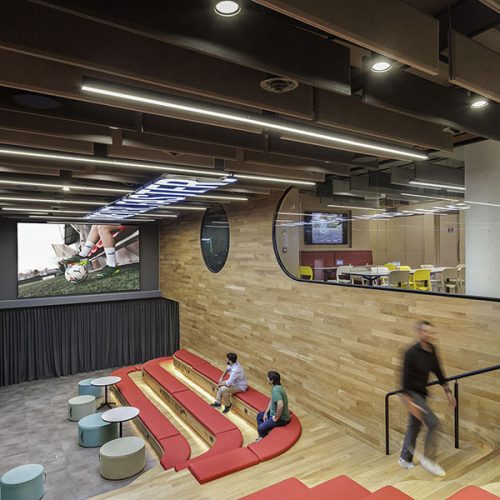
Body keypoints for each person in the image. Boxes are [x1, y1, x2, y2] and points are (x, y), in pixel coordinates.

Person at [398, 320, 456, 476]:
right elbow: (404, 382)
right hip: (410, 394)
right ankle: (428, 460)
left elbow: (438, 371)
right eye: (426, 331)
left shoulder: (432, 350)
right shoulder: (410, 353)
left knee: (414, 426)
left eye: (431, 332)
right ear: (419, 333)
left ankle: (404, 458)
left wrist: (448, 391)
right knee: (434, 423)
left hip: (421, 394)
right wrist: (411, 404)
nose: (429, 334)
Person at [256, 371, 290, 441]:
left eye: (268, 377)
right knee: (260, 416)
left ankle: (262, 436)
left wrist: (276, 417)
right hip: (273, 414)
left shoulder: (276, 390)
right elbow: (272, 401)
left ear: (271, 381)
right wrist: (266, 413)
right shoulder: (277, 387)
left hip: (281, 419)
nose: (267, 378)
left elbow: (280, 405)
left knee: (260, 428)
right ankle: (263, 436)